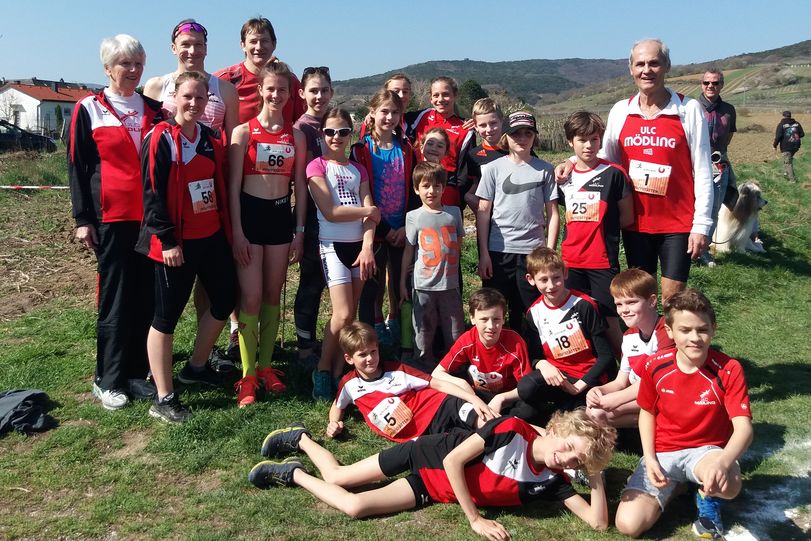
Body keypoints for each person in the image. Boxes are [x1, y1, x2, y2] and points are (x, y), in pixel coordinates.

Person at [249, 409, 617, 539]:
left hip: (432, 488)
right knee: (339, 477)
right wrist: (474, 520)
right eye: (569, 447)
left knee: (355, 507)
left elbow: (598, 524)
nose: (566, 459)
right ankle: (302, 439)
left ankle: (292, 474)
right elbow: (454, 462)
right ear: (554, 430)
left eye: (577, 461)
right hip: (426, 454)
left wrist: (595, 471)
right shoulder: (511, 429)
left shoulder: (554, 482)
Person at [556, 38, 713, 302]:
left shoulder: (688, 109)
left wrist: (702, 225)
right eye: (640, 64)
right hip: (635, 223)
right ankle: (647, 343)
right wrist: (572, 161)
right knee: (642, 296)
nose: (646, 70)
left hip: (677, 223)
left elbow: (703, 171)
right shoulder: (621, 111)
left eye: (654, 63)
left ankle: (674, 342)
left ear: (666, 66)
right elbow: (603, 158)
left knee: (672, 297)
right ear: (631, 69)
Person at [68, 34, 164, 410]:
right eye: (125, 64)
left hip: (151, 218)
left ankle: (136, 373)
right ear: (108, 68)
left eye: (138, 63)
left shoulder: (155, 109)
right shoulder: (88, 108)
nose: (133, 70)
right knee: (115, 298)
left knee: (145, 296)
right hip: (111, 218)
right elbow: (77, 166)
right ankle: (107, 378)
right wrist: (82, 218)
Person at [137, 72, 236, 423]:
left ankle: (195, 367)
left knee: (226, 298)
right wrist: (167, 241)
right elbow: (151, 193)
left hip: (210, 237)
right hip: (175, 245)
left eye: (200, 98)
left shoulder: (210, 138)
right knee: (166, 319)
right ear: (174, 97)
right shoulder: (160, 137)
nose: (194, 104)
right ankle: (163, 398)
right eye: (187, 97)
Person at [142, 19, 241, 370]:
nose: (192, 50)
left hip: (208, 199)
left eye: (198, 44)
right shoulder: (156, 85)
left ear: (206, 48)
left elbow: (231, 147)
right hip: (172, 206)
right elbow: (149, 146)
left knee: (213, 288)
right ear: (173, 47)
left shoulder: (224, 89)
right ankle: (161, 377)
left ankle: (202, 357)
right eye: (185, 44)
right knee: (167, 304)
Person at [614, 289, 752, 539]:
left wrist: (723, 463)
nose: (695, 338)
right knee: (628, 525)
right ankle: (679, 487)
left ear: (713, 329)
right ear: (670, 331)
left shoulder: (729, 369)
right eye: (685, 330)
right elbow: (647, 412)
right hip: (664, 453)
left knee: (728, 483)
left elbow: (744, 429)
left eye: (702, 329)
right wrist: (651, 458)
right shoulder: (654, 365)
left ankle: (706, 494)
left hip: (706, 452)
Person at [228, 61, 307, 407]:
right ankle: (246, 375)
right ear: (260, 90)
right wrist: (238, 233)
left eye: (282, 90)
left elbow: (300, 187)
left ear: (291, 94)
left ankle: (265, 367)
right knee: (251, 298)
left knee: (273, 296)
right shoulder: (243, 132)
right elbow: (231, 188)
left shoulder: (297, 135)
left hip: (279, 219)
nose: (276, 95)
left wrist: (299, 230)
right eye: (270, 89)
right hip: (249, 216)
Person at [323, 322, 497, 442]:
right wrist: (334, 423)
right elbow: (338, 406)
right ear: (349, 358)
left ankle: (508, 429)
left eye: (373, 352)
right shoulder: (349, 384)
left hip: (438, 407)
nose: (370, 358)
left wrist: (473, 399)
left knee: (479, 420)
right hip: (422, 434)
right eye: (362, 355)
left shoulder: (397, 370)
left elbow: (437, 384)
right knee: (467, 442)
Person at [307, 109, 378, 400]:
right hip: (332, 245)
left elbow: (372, 217)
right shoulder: (316, 166)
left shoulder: (358, 168)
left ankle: (339, 370)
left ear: (351, 134)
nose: (336, 137)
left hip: (358, 248)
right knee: (343, 313)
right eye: (330, 132)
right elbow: (332, 212)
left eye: (343, 132)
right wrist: (367, 211)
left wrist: (367, 246)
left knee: (350, 316)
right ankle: (322, 370)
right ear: (322, 135)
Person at [475, 111, 559, 337]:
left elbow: (552, 212)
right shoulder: (493, 169)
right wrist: (484, 253)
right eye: (516, 134)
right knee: (495, 307)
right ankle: (497, 354)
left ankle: (530, 359)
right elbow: (483, 212)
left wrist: (548, 251)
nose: (522, 138)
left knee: (528, 310)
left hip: (532, 253)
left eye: (527, 133)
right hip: (498, 251)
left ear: (534, 137)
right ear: (506, 137)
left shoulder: (545, 169)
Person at [557, 111, 634, 353]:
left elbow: (627, 217)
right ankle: (593, 368)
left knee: (610, 318)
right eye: (582, 140)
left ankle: (629, 372)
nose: (589, 145)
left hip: (602, 260)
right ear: (571, 142)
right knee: (576, 318)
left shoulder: (614, 173)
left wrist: (604, 231)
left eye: (594, 139)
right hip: (570, 259)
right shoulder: (562, 177)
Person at [516, 247, 615, 424]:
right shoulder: (534, 312)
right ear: (531, 280)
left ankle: (571, 406)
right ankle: (560, 407)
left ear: (565, 274)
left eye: (556, 278)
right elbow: (533, 355)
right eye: (543, 280)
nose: (551, 285)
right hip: (559, 377)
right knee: (526, 388)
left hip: (587, 378)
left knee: (578, 419)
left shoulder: (584, 305)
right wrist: (543, 364)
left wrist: (579, 386)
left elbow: (606, 357)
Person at [351, 90, 416, 347]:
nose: (389, 117)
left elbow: (413, 188)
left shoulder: (407, 149)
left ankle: (406, 342)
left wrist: (404, 226)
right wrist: (386, 227)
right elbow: (361, 193)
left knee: (404, 286)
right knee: (371, 289)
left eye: (395, 112)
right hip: (375, 231)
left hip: (402, 231)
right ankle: (368, 342)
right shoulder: (362, 149)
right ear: (373, 113)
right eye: (384, 111)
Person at [585, 269, 673, 428]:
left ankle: (661, 428)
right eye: (619, 304)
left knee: (601, 412)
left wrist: (617, 401)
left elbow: (657, 382)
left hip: (665, 395)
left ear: (652, 301)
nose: (624, 310)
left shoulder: (666, 331)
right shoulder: (628, 336)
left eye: (631, 302)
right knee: (593, 411)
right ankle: (653, 428)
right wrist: (599, 390)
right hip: (640, 395)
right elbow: (620, 381)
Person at [399, 162, 465, 367]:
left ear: (444, 188)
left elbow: (458, 244)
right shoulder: (413, 216)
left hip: (450, 284)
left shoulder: (454, 213)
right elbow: (409, 250)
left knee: (454, 330)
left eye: (437, 186)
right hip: (423, 285)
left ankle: (455, 366)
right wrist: (403, 281)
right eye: (426, 186)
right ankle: (423, 366)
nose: (432, 191)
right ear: (416, 189)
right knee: (424, 330)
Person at [432, 288, 532, 415]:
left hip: (507, 398)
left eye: (496, 319)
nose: (491, 326)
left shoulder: (515, 342)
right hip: (477, 395)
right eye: (484, 319)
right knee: (447, 396)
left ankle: (502, 421)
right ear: (472, 319)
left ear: (503, 319)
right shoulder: (467, 340)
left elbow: (527, 386)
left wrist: (501, 398)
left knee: (529, 410)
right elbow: (437, 373)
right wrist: (463, 386)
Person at [292, 66, 334, 368]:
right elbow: (301, 183)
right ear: (302, 93)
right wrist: (301, 226)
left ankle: (323, 342)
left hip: (337, 217)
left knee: (328, 282)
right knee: (310, 283)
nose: (319, 96)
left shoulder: (335, 124)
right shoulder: (302, 129)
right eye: (313, 90)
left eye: (324, 90)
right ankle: (305, 347)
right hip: (312, 217)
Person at [214, 17, 305, 124]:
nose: (259, 47)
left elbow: (304, 123)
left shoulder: (289, 81)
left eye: (264, 41)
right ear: (243, 45)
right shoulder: (225, 80)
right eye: (253, 41)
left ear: (274, 44)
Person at [406, 77, 475, 207]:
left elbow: (465, 170)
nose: (440, 99)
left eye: (446, 94)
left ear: (455, 96)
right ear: (430, 98)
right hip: (418, 188)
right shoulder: (421, 117)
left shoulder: (465, 128)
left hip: (448, 191)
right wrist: (372, 115)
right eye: (436, 95)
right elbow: (393, 118)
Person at [697, 69, 737, 266]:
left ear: (722, 84)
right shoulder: (692, 107)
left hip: (718, 164)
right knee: (690, 208)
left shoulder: (729, 110)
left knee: (713, 209)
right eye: (706, 83)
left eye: (715, 83)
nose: (710, 86)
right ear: (701, 84)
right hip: (693, 165)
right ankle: (685, 249)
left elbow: (729, 137)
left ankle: (703, 251)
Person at [462, 98, 507, 212]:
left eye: (493, 123)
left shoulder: (517, 149)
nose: (489, 129)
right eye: (482, 125)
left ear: (502, 121)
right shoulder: (473, 155)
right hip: (491, 221)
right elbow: (475, 185)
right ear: (475, 127)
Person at [773, 110, 804, 182]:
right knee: (788, 159)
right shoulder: (797, 124)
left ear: (783, 116)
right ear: (790, 116)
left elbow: (778, 136)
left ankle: (792, 181)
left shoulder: (781, 124)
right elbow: (802, 134)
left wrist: (774, 145)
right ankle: (786, 173)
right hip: (796, 146)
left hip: (786, 146)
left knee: (788, 163)